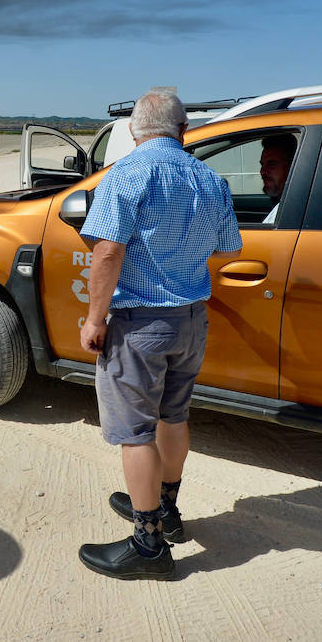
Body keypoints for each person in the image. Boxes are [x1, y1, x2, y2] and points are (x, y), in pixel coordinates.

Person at [76, 89, 242, 580]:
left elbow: (107, 254)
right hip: (191, 318)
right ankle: (166, 509)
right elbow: (227, 246)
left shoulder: (125, 174)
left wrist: (94, 318)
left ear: (133, 130)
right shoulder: (209, 178)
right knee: (173, 416)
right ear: (182, 130)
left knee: (135, 432)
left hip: (140, 324)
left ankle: (148, 544)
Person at [259, 133, 297, 223]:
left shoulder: (294, 209)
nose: (262, 171)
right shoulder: (284, 205)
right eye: (262, 164)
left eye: (272, 164)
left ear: (292, 167)